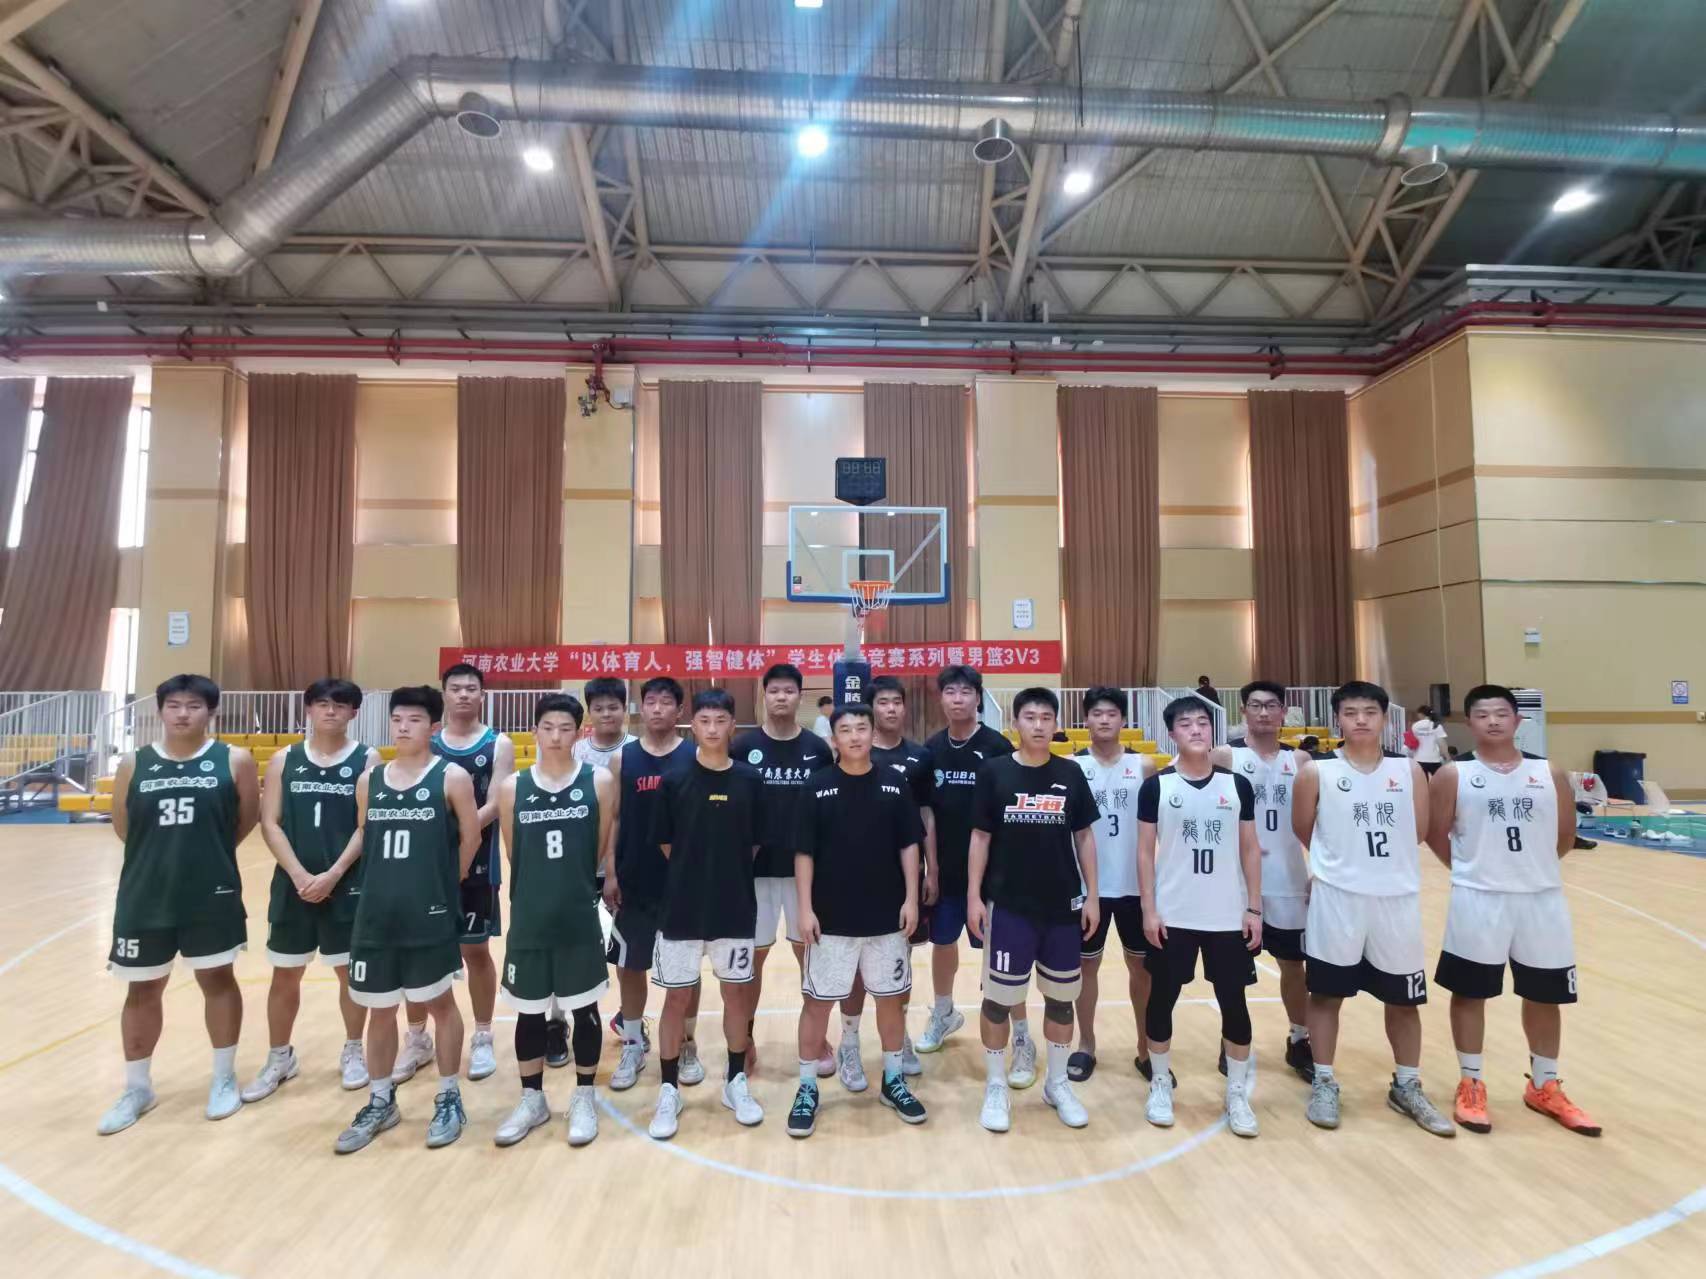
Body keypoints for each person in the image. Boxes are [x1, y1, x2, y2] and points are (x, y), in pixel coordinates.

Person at [1428, 684, 1600, 1137]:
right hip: (1478, 898)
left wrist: (1528, 871)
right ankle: (1471, 1082)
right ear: (1469, 722)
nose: (1493, 721)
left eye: (1502, 713)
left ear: (1517, 720)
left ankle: (1544, 1085)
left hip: (1541, 898)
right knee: (1470, 992)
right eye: (1483, 714)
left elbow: (1565, 835)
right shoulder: (1453, 774)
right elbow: (1435, 832)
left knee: (1545, 993)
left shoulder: (1548, 772)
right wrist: (1471, 871)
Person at [99, 675, 260, 1135]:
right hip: (145, 895)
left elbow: (244, 819)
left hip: (211, 893)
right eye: (174, 705)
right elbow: (124, 825)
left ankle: (223, 1078)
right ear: (160, 711)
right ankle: (137, 1088)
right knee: (142, 988)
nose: (183, 713)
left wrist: (206, 856)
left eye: (193, 705)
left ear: (211, 711)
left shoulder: (234, 760)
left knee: (218, 980)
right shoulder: (136, 762)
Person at [1291, 680, 1453, 1137]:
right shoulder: (1316, 772)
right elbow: (1304, 828)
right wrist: (1336, 865)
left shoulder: (1409, 771)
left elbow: (1417, 831)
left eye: (1369, 712)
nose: (1360, 720)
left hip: (1395, 898)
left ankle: (1407, 1085)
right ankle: (1324, 1082)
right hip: (1337, 899)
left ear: (1384, 718)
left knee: (1403, 999)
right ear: (1337, 719)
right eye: (1350, 712)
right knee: (1326, 995)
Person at [334, 686, 481, 1153]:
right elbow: (365, 833)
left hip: (428, 913)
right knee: (380, 1008)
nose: (402, 727)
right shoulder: (370, 780)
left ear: (433, 727)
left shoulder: (451, 777)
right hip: (376, 914)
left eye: (414, 720)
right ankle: (381, 1100)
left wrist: (445, 883)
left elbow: (471, 837)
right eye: (397, 719)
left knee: (440, 1004)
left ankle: (449, 1096)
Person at [787, 703, 926, 1136]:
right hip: (831, 919)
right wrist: (805, 908)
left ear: (872, 734)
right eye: (845, 730)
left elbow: (909, 845)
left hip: (887, 916)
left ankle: (893, 1079)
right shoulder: (817, 786)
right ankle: (807, 1086)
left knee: (890, 1000)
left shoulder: (894, 783)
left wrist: (912, 898)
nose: (854, 736)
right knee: (817, 1003)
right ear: (834, 739)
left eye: (861, 728)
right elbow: (804, 853)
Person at [243, 678, 382, 1104]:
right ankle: (279, 1056)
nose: (330, 711)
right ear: (308, 709)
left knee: (348, 972)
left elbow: (366, 825)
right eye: (322, 703)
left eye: (340, 705)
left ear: (354, 712)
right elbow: (270, 822)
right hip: (293, 885)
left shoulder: (367, 758)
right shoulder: (285, 759)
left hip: (347, 883)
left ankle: (353, 1049)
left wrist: (334, 874)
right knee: (285, 973)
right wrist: (300, 875)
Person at [968, 687, 1099, 1133]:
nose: (1039, 725)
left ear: (1056, 723)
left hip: (1062, 907)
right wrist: (973, 896)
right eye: (1030, 717)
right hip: (1009, 906)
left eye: (1046, 717)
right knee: (998, 1001)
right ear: (1016, 723)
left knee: (1062, 1000)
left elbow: (1084, 837)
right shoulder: (994, 772)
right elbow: (980, 838)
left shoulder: (1071, 772)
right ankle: (995, 1085)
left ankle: (1057, 1084)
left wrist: (1093, 895)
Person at [494, 694, 615, 1148]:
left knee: (585, 1009)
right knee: (529, 1012)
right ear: (535, 732)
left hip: (577, 915)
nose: (556, 736)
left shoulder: (599, 780)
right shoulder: (513, 787)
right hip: (530, 917)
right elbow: (514, 852)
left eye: (565, 728)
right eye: (548, 727)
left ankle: (583, 1096)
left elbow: (598, 846)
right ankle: (532, 1099)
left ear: (579, 733)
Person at [1139, 696, 1262, 1137]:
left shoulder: (1237, 785)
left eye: (1203, 723)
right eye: (1186, 724)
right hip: (1174, 913)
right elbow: (1144, 852)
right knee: (1162, 999)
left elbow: (1250, 849)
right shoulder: (1158, 786)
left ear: (1213, 731)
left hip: (1227, 915)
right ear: (1172, 733)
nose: (1196, 730)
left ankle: (1237, 1092)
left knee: (1234, 1002)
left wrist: (1254, 907)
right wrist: (1149, 909)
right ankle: (1159, 1082)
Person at [648, 688, 766, 1140]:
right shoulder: (674, 781)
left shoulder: (750, 780)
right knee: (676, 998)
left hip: (734, 909)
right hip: (681, 909)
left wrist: (724, 873)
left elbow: (754, 844)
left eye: (720, 721)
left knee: (736, 995)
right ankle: (668, 1089)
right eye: (704, 721)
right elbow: (666, 845)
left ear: (733, 725)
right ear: (692, 725)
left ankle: (735, 1081)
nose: (713, 729)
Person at [398, 663, 513, 1086]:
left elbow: (497, 801)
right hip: (422, 865)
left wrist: (457, 834)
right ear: (444, 694)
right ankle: (416, 1037)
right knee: (416, 950)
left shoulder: (497, 743)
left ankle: (482, 1035)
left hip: (477, 864)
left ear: (482, 695)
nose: (464, 694)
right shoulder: (426, 740)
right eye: (456, 688)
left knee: (476, 950)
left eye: (471, 688)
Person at [732, 663, 832, 1076]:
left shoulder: (817, 749)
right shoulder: (743, 747)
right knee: (750, 962)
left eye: (789, 691)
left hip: (802, 874)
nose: (781, 697)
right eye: (774, 690)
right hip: (753, 874)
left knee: (807, 956)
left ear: (799, 696)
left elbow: (827, 809)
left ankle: (816, 1038)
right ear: (764, 694)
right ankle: (745, 1037)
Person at [1214, 680, 1315, 1082]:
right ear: (1243, 712)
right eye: (1255, 705)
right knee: (1232, 971)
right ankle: (1232, 1039)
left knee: (1294, 965)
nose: (1263, 713)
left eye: (1271, 706)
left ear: (1283, 712)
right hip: (1238, 885)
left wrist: (1318, 871)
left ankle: (1300, 1038)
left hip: (1289, 879)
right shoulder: (1226, 756)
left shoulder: (1301, 760)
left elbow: (1320, 823)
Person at [604, 677, 700, 1093]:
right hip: (634, 878)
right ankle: (631, 1044)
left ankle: (687, 1043)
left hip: (684, 882)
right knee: (630, 965)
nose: (657, 708)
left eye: (666, 702)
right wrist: (610, 872)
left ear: (679, 711)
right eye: (651, 702)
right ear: (641, 709)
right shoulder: (623, 759)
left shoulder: (695, 755)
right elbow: (614, 819)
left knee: (687, 969)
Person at [916, 666, 1016, 1064]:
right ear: (941, 699)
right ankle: (944, 1012)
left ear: (978, 698)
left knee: (999, 950)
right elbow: (927, 814)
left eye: (965, 692)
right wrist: (932, 869)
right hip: (946, 870)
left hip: (993, 874)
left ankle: (1012, 1026)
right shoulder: (931, 749)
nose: (957, 699)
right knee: (942, 943)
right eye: (950, 692)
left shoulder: (996, 747)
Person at [846, 673, 936, 1082]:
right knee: (854, 965)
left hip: (903, 876)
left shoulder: (920, 757)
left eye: (896, 702)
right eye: (882, 702)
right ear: (871, 709)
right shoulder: (852, 753)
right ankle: (850, 1042)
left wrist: (931, 869)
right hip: (854, 876)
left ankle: (899, 1039)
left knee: (900, 962)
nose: (891, 709)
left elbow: (926, 815)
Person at [1069, 686, 1156, 1083]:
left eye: (1111, 714)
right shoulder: (1072, 766)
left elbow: (1158, 829)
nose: (1104, 720)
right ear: (1085, 719)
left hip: (1136, 887)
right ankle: (1086, 1043)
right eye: (1097, 713)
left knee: (1141, 968)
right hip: (1089, 889)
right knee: (1086, 967)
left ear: (1123, 720)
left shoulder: (1144, 766)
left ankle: (1145, 1046)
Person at [574, 677, 635, 771]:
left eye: (613, 708)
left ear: (624, 709)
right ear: (589, 712)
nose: (606, 714)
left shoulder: (638, 748)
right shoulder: (576, 751)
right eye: (598, 709)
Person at [1410, 706, 1448, 776]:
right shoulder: (1436, 725)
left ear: (1421, 714)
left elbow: (1412, 742)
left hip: (1419, 759)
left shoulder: (1415, 726)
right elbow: (1441, 743)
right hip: (1434, 759)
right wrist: (1447, 757)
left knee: (1421, 781)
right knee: (1436, 781)